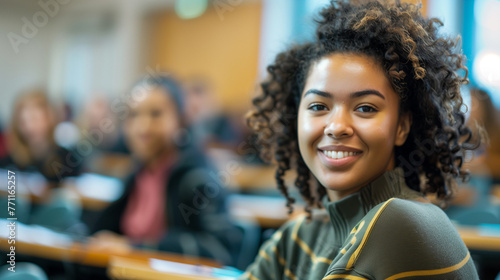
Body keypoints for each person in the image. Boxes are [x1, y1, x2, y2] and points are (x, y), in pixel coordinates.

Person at [240, 1, 479, 279]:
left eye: (365, 108)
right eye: (318, 106)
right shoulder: (298, 238)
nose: (337, 127)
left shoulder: (402, 222)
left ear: (402, 127)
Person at [91, 75, 240, 266]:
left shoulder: (196, 178)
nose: (142, 126)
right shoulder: (136, 174)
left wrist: (135, 248)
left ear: (180, 120)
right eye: (134, 115)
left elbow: (218, 250)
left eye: (156, 114)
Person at [0, 90, 80, 183]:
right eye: (23, 122)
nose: (29, 127)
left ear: (49, 119)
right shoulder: (9, 162)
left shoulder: (68, 160)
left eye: (35, 119)